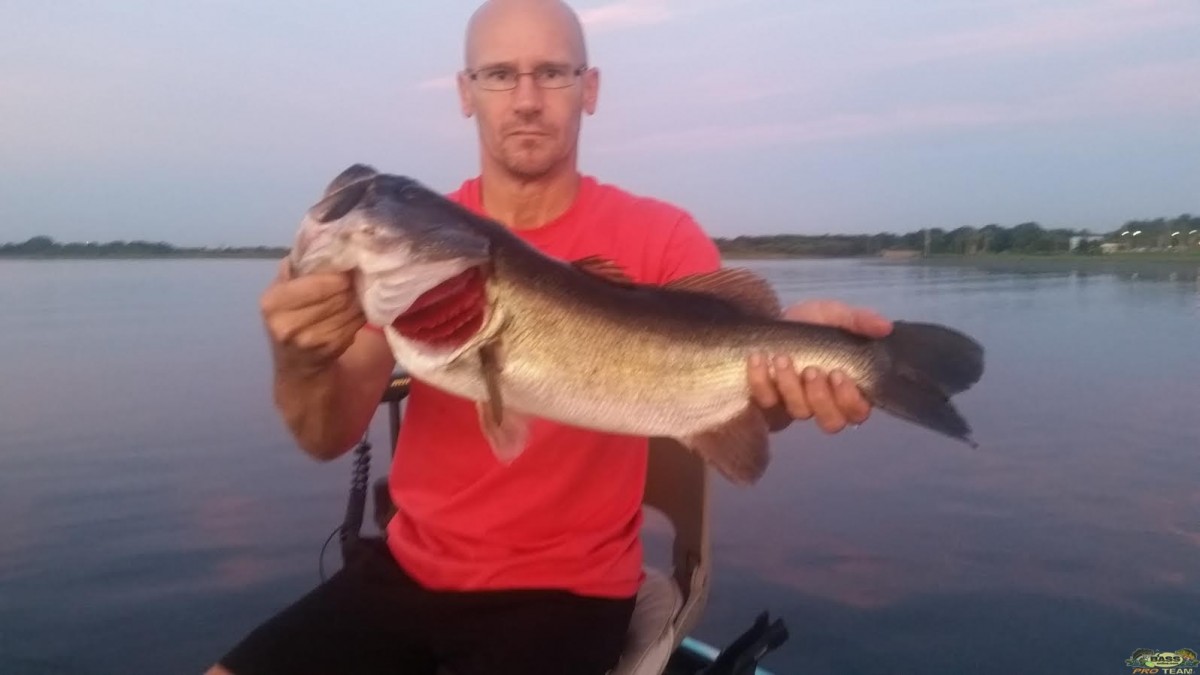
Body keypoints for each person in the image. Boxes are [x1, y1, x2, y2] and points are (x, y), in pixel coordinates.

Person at [208, 1, 892, 673]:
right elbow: (325, 435)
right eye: (499, 74)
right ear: (465, 93)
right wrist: (297, 358)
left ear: (589, 89)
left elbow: (738, 397)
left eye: (553, 73)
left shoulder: (661, 237)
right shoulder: (419, 253)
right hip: (406, 570)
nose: (526, 98)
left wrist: (801, 374)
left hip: (569, 593)